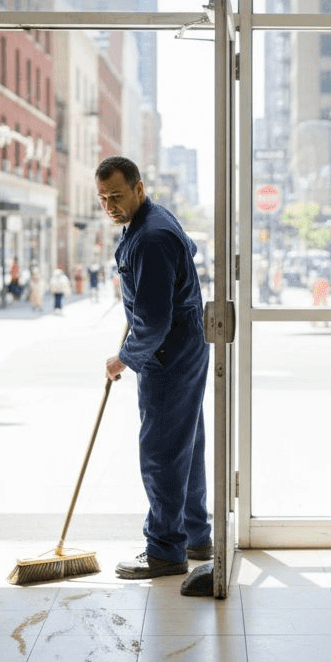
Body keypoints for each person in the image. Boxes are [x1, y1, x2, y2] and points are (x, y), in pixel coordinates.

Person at [97, 155, 211, 579]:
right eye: (103, 198)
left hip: (168, 355)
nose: (110, 205)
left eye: (118, 195)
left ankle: (165, 549)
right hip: (187, 349)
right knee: (186, 444)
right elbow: (189, 254)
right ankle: (196, 535)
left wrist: (124, 357)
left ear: (139, 189)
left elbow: (154, 322)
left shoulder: (150, 237)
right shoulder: (155, 221)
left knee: (162, 451)